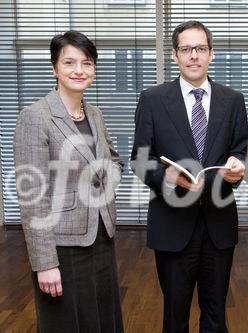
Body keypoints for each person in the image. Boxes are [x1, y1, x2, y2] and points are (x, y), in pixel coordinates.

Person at [130, 20, 247, 333]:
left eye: (200, 48)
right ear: (174, 55)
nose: (193, 55)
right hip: (172, 226)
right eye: (186, 49)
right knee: (174, 317)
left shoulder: (233, 100)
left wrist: (238, 169)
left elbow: (242, 151)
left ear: (212, 54)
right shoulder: (153, 99)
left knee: (216, 316)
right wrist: (168, 176)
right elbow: (140, 160)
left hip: (218, 225)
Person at [13, 31, 124, 333]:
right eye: (70, 63)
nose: (79, 71)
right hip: (62, 245)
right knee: (67, 323)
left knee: (103, 321)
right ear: (54, 68)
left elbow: (113, 161)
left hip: (101, 238)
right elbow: (31, 196)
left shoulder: (95, 114)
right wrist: (45, 263)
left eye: (86, 64)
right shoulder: (35, 117)